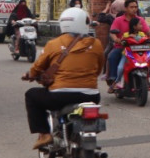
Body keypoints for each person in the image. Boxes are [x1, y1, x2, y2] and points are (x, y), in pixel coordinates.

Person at [21, 8, 104, 149]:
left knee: (31, 95)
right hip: (91, 96)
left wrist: (31, 75)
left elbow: (38, 67)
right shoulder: (96, 44)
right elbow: (98, 69)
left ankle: (45, 134)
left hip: (60, 96)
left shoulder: (53, 44)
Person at [106, 0, 150, 89]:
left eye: (136, 7)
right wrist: (117, 39)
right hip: (123, 47)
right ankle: (114, 80)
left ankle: (148, 77)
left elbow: (148, 31)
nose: (134, 9)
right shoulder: (118, 20)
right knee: (112, 56)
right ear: (125, 8)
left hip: (139, 47)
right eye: (131, 7)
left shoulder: (140, 20)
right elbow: (112, 33)